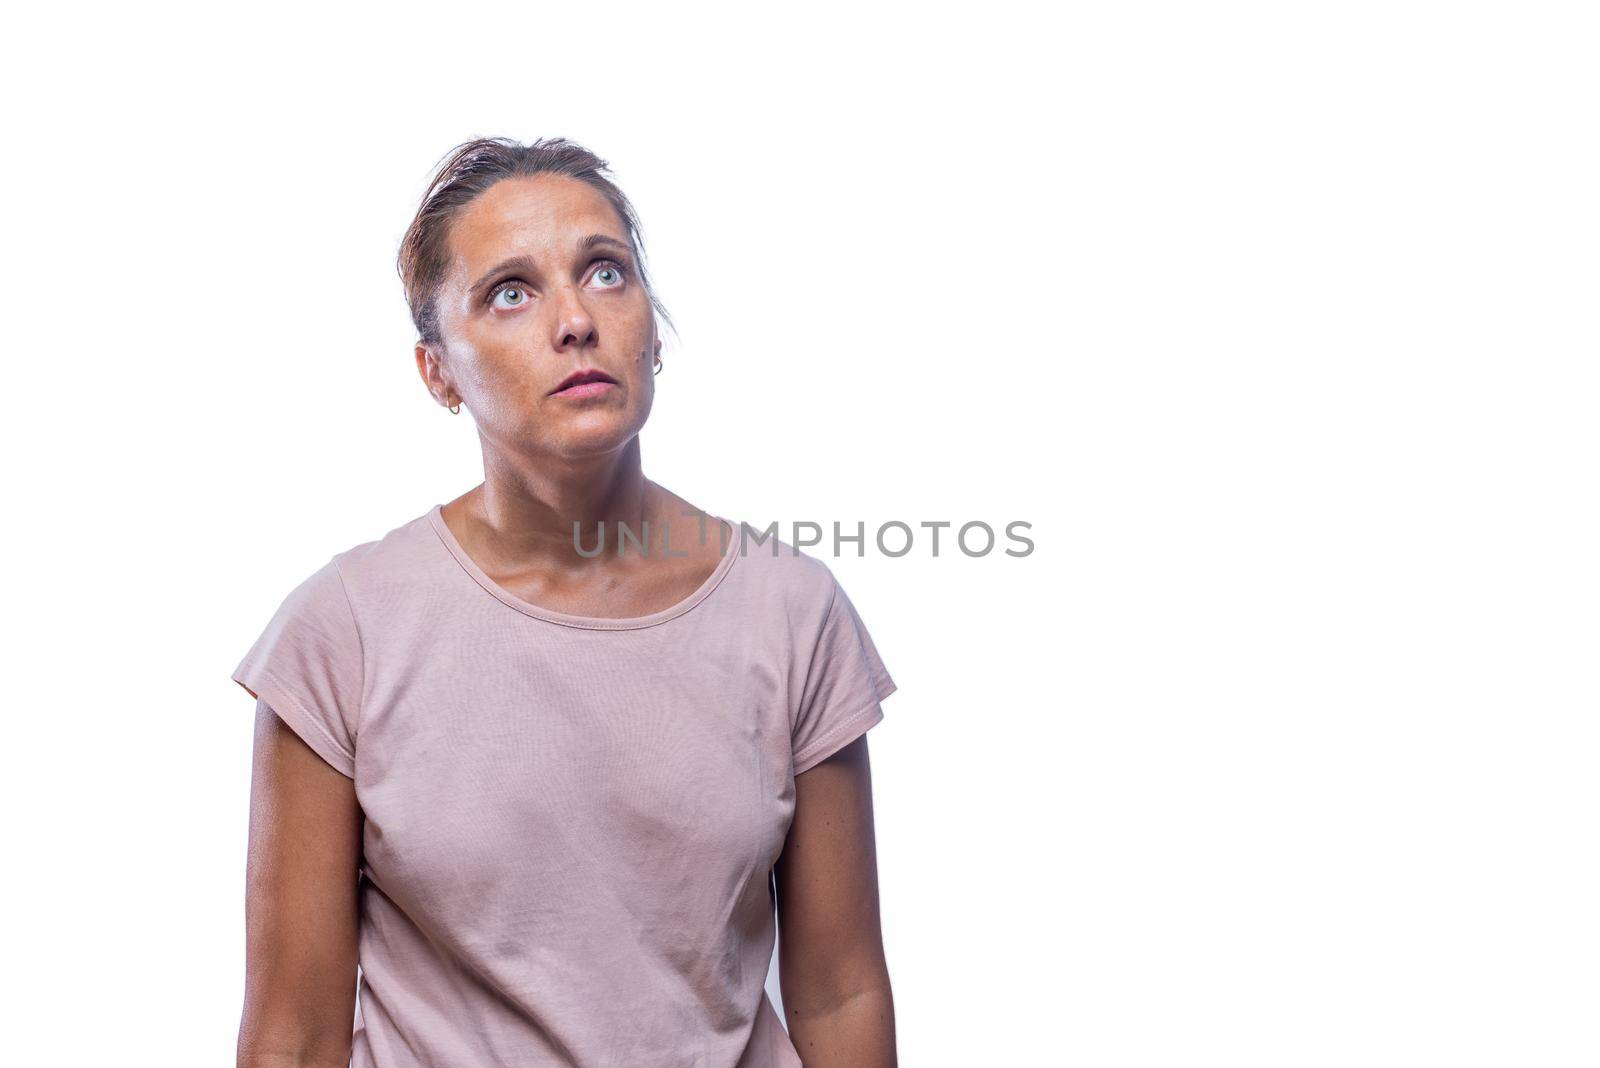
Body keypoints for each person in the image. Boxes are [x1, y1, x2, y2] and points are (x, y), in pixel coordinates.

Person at [231, 137, 900, 1067]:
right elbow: (294, 1037)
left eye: (606, 272)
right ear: (438, 373)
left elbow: (841, 992)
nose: (576, 319)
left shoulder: (793, 612)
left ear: (654, 333)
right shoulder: (341, 634)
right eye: (512, 291)